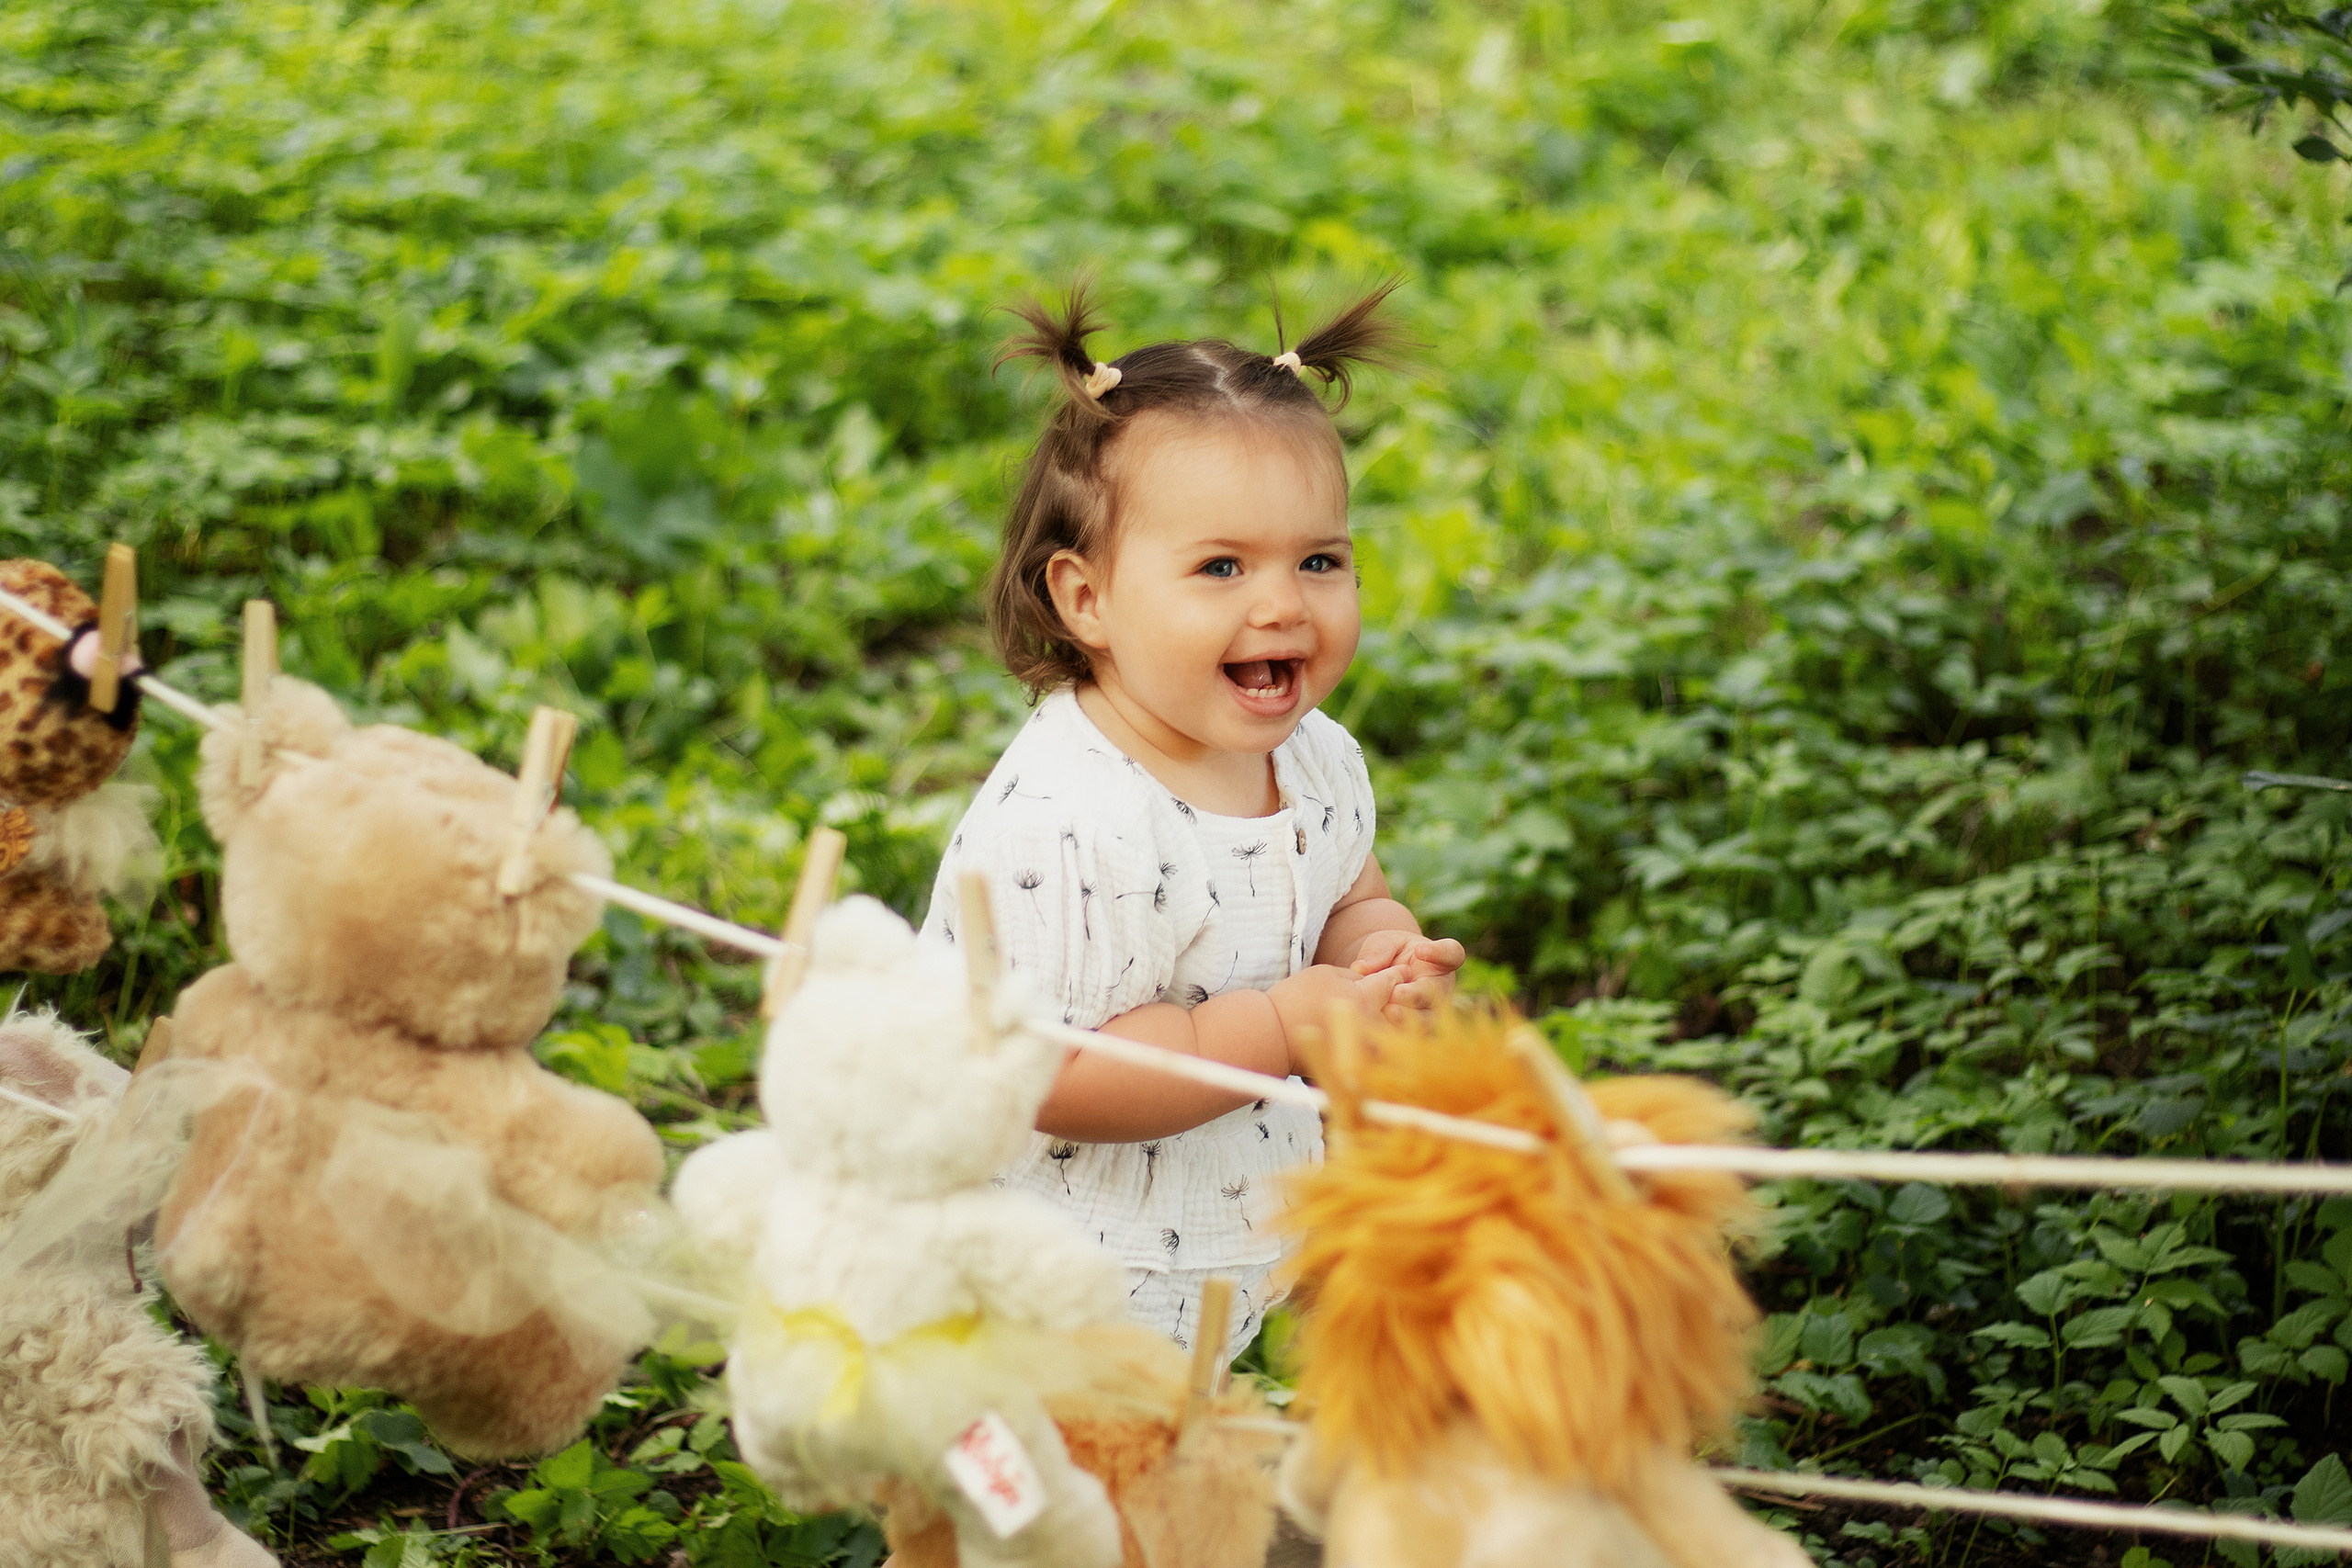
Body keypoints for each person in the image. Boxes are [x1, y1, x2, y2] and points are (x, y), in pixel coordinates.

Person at [922, 279, 1465, 1363]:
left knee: (1168, 1440)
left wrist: (1379, 958)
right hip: (1041, 1275)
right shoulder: (1072, 822)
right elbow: (1055, 1078)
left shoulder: (1312, 757)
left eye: (1319, 561)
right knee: (1041, 1467)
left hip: (1198, 1234)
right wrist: (1284, 1028)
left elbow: (1345, 893)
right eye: (1221, 567)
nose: (1281, 604)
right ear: (1085, 599)